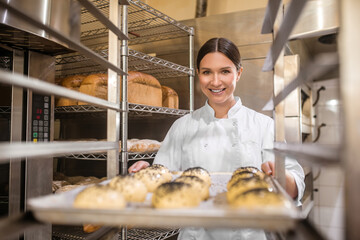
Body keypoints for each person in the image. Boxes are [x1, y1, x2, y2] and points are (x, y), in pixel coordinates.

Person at [128, 37, 305, 240]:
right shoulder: (182, 126)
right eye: (206, 72)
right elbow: (163, 179)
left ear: (238, 73)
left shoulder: (263, 125)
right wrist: (145, 173)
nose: (215, 82)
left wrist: (282, 178)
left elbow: (296, 187)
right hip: (196, 235)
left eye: (225, 71)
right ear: (198, 75)